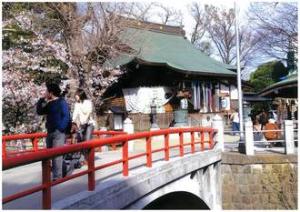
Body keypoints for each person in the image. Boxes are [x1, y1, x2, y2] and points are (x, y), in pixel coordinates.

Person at [37, 83, 70, 181]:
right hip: (50, 131)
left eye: (47, 91)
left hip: (58, 132)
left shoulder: (61, 102)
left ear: (51, 93)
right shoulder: (50, 103)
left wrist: (61, 127)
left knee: (57, 155)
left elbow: (66, 116)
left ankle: (57, 177)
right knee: (50, 155)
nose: (45, 93)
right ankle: (62, 168)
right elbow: (40, 112)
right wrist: (41, 100)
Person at [72, 89, 95, 165]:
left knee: (87, 140)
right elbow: (75, 113)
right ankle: (84, 158)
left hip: (89, 123)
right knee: (81, 140)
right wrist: (73, 121)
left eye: (77, 95)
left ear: (81, 95)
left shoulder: (88, 102)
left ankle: (88, 158)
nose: (76, 97)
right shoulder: (77, 104)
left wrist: (85, 121)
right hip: (81, 124)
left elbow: (89, 112)